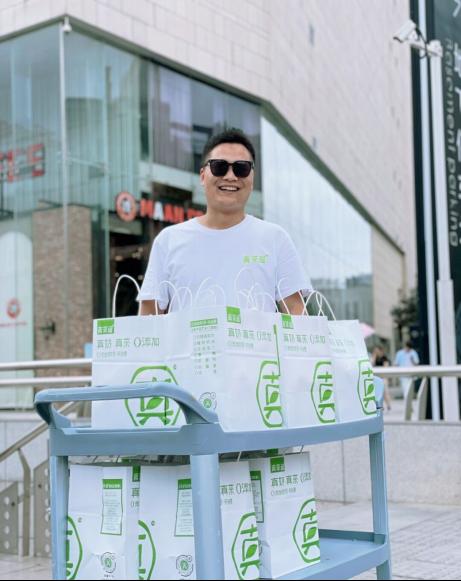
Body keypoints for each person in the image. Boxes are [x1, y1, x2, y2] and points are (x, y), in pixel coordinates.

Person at [138, 128, 311, 314]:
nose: (230, 176)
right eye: (219, 166)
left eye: (241, 168)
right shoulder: (169, 240)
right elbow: (148, 316)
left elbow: (297, 313)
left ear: (252, 179)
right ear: (203, 176)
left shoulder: (275, 239)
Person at [371, 345, 392, 411]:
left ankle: (388, 405)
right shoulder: (375, 358)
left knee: (385, 392)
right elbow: (372, 365)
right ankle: (380, 406)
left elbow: (386, 367)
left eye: (377, 350)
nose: (376, 352)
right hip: (377, 377)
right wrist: (374, 357)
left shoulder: (384, 358)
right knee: (378, 392)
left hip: (383, 377)